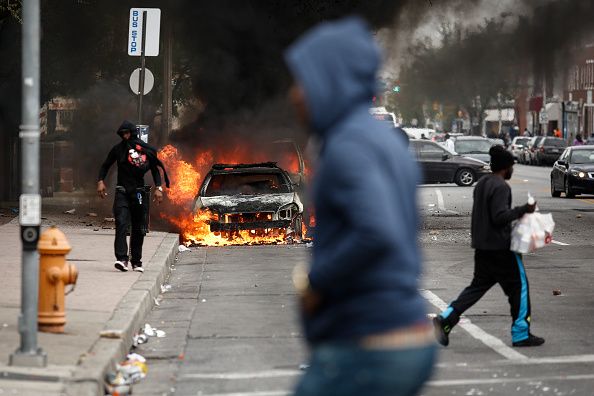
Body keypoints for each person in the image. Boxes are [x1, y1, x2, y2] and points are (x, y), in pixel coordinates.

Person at [285, 16, 435, 396]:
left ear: (330, 80)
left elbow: (376, 230)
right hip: (400, 334)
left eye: (302, 80)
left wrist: (315, 283)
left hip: (369, 344)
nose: (294, 94)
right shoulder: (381, 139)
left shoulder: (349, 145)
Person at [433, 145, 544, 348]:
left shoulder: (483, 183)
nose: (512, 171)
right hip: (501, 250)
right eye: (511, 166)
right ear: (505, 167)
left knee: (476, 288)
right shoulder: (501, 186)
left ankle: (445, 319)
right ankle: (521, 333)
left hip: (482, 247)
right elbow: (499, 217)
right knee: (519, 288)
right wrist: (524, 210)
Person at [98, 121, 170, 273]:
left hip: (138, 193)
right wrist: (100, 181)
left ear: (133, 133)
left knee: (138, 228)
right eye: (122, 134)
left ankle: (136, 261)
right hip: (122, 191)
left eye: (127, 133)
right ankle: (122, 259)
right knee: (121, 223)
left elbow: (155, 170)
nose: (125, 136)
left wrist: (158, 188)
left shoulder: (145, 150)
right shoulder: (118, 149)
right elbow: (105, 165)